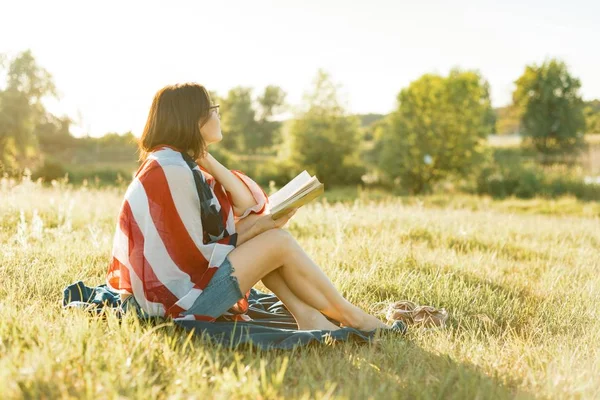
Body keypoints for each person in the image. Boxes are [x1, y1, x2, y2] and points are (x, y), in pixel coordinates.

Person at [106, 82, 400, 333]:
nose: (218, 114)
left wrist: (207, 158)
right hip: (177, 304)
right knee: (277, 241)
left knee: (268, 239)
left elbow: (244, 205)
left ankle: (309, 316)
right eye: (213, 109)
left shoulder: (177, 162)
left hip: (176, 292)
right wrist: (264, 225)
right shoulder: (172, 171)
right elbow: (198, 255)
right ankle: (352, 317)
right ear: (194, 118)